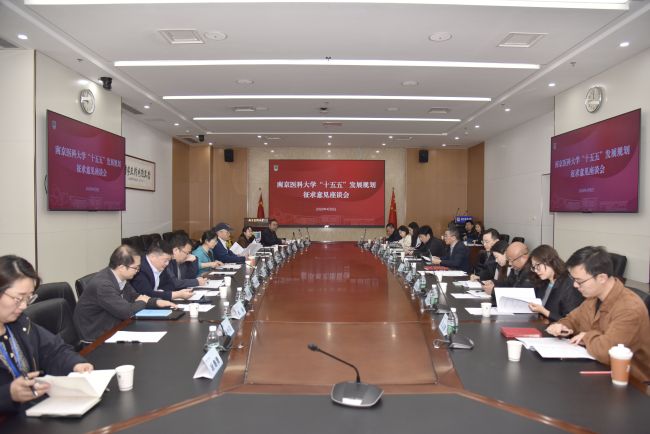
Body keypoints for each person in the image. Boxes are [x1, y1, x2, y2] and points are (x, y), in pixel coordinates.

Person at [1, 255, 93, 412]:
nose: (23, 306)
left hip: (31, 411)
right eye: (18, 298)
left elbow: (54, 351)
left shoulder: (20, 324)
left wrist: (75, 364)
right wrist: (7, 394)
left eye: (28, 298)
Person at [546, 246, 650, 383]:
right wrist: (562, 326)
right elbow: (573, 319)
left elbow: (607, 351)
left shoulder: (629, 308)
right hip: (597, 369)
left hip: (631, 383)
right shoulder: (593, 298)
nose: (575, 285)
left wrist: (587, 336)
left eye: (579, 281)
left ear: (601, 278)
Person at [74, 245, 176, 342]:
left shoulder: (119, 277)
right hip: (97, 336)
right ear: (122, 267)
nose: (137, 271)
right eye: (136, 268)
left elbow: (133, 296)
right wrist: (143, 301)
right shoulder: (103, 285)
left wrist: (156, 302)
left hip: (113, 326)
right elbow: (126, 312)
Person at [527, 245, 584, 321]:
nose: (536, 271)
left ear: (549, 261)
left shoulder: (569, 285)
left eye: (538, 266)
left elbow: (571, 322)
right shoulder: (544, 282)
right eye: (533, 267)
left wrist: (544, 311)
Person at [131, 239, 197, 301]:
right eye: (165, 260)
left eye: (169, 260)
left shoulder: (161, 266)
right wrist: (177, 294)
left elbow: (171, 285)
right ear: (153, 257)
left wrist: (160, 292)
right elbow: (147, 294)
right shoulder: (140, 268)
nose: (167, 264)